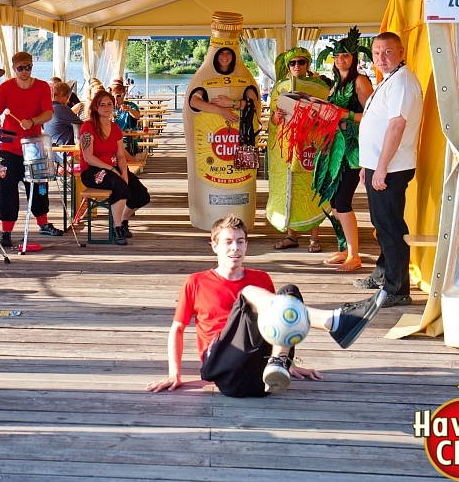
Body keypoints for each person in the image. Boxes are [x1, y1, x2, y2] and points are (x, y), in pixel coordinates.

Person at [146, 214, 386, 397]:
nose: (234, 248)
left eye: (240, 242)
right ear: (214, 245)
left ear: (246, 246)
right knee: (249, 293)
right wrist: (173, 374)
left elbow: (280, 324)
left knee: (288, 293)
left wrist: (290, 362)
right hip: (224, 371)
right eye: (228, 242)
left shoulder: (261, 278)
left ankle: (279, 363)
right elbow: (177, 328)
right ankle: (333, 321)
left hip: (260, 379)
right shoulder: (196, 281)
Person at [354, 32, 423, 307]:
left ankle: (397, 289)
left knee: (391, 226)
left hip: (392, 168)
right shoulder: (390, 80)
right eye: (376, 53)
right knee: (382, 223)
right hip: (380, 165)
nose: (381, 58)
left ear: (401, 51)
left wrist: (381, 167)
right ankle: (384, 274)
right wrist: (368, 166)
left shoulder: (403, 83)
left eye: (387, 52)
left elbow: (397, 126)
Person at [313, 27, 374, 272]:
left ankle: (354, 255)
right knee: (335, 202)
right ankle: (344, 249)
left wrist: (344, 114)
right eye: (337, 56)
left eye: (346, 55)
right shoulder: (336, 84)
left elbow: (372, 115)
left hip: (352, 151)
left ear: (354, 58)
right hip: (334, 149)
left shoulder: (360, 80)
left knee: (343, 201)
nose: (341, 59)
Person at [0, 51, 62, 247]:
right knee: (7, 190)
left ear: (32, 67)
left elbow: (48, 113)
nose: (24, 71)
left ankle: (43, 223)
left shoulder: (41, 87)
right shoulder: (5, 88)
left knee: (39, 186)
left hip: (33, 144)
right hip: (9, 146)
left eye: (27, 67)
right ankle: (6, 230)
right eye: (20, 68)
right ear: (14, 69)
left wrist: (32, 121)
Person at [269, 48, 330, 253]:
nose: (297, 66)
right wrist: (278, 114)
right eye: (293, 63)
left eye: (301, 62)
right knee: (289, 188)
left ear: (307, 64)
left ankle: (314, 237)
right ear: (288, 66)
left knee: (311, 187)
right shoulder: (280, 87)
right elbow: (274, 122)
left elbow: (326, 115)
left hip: (310, 143)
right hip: (286, 146)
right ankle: (291, 235)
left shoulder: (320, 87)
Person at [78, 91, 150, 245]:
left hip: (114, 168)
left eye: (109, 104)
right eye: (102, 105)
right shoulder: (88, 126)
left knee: (141, 195)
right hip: (92, 171)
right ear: (96, 107)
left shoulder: (115, 128)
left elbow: (120, 155)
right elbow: (88, 157)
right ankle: (116, 229)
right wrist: (112, 170)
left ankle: (123, 221)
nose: (106, 107)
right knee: (120, 186)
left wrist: (124, 172)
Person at [43, 82, 82, 164]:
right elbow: (82, 126)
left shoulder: (47, 110)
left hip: (52, 154)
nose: (68, 101)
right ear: (61, 95)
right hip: (65, 154)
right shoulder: (62, 109)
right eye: (67, 97)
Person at [110, 83, 142, 155]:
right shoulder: (108, 107)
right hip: (112, 138)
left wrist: (129, 109)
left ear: (124, 94)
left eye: (118, 96)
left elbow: (137, 116)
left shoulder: (130, 105)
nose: (115, 98)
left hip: (127, 138)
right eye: (113, 96)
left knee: (121, 148)